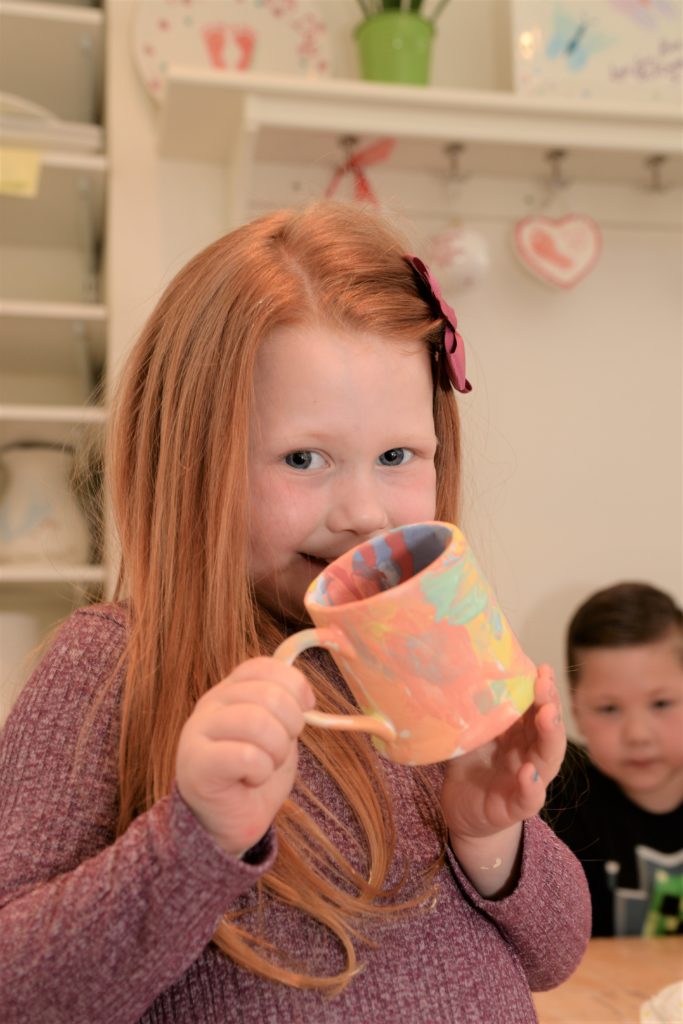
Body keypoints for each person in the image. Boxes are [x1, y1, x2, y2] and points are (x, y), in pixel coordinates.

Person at [0, 201, 590, 1024]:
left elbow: (557, 953)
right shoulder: (109, 670)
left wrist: (492, 840)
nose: (362, 511)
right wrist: (195, 838)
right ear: (192, 463)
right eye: (304, 458)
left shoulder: (422, 653)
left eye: (395, 457)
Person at [544, 582, 683, 936]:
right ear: (574, 711)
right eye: (608, 709)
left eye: (662, 704)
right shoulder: (556, 803)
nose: (637, 734)